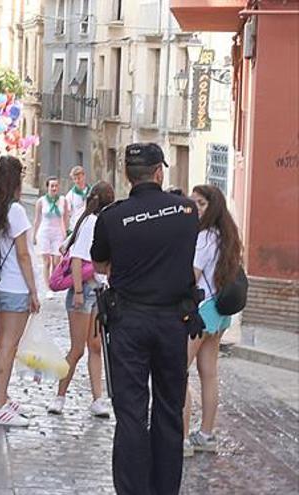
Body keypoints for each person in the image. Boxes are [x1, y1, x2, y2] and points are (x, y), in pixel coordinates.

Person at [91, 142, 201, 495]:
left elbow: (100, 264)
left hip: (129, 323)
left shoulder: (112, 216)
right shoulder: (186, 210)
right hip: (172, 322)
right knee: (170, 409)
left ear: (127, 176)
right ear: (159, 172)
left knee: (131, 413)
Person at [182, 185, 242, 457]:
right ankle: (206, 434)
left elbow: (191, 277)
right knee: (209, 374)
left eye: (201, 203)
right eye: (193, 202)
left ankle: (181, 438)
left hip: (202, 311)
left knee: (177, 373)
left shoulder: (204, 238)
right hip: (220, 314)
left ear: (212, 206)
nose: (195, 207)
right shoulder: (226, 236)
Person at [47, 181, 115, 418]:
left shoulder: (96, 222)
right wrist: (77, 291)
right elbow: (77, 259)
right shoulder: (91, 223)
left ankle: (98, 399)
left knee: (95, 346)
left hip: (98, 291)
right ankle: (60, 396)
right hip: (84, 291)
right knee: (77, 349)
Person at [0, 155, 41, 428]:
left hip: (0, 284)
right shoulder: (15, 211)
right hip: (16, 285)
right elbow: (24, 255)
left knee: (2, 343)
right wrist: (33, 290)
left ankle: (2, 398)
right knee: (8, 345)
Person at [33, 176, 67, 299]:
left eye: (56, 186)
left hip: (58, 233)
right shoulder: (41, 201)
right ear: (47, 187)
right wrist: (34, 235)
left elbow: (65, 218)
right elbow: (37, 219)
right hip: (44, 233)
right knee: (46, 261)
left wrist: (66, 234)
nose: (54, 188)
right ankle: (48, 288)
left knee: (56, 261)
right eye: (52, 186)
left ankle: (54, 283)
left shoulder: (63, 200)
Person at [64, 165, 91, 233]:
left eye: (79, 178)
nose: (77, 181)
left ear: (84, 176)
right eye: (74, 179)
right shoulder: (70, 195)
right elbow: (66, 213)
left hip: (89, 226)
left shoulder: (91, 192)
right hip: (76, 227)